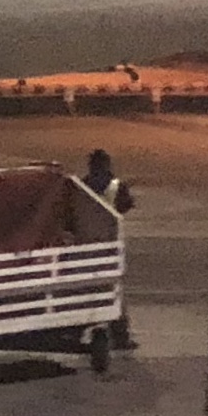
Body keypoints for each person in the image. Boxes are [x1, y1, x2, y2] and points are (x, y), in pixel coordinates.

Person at [82, 150, 136, 351]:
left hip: (87, 243)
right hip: (111, 243)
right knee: (115, 290)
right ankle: (120, 337)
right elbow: (126, 205)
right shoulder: (116, 185)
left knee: (89, 287)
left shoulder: (82, 185)